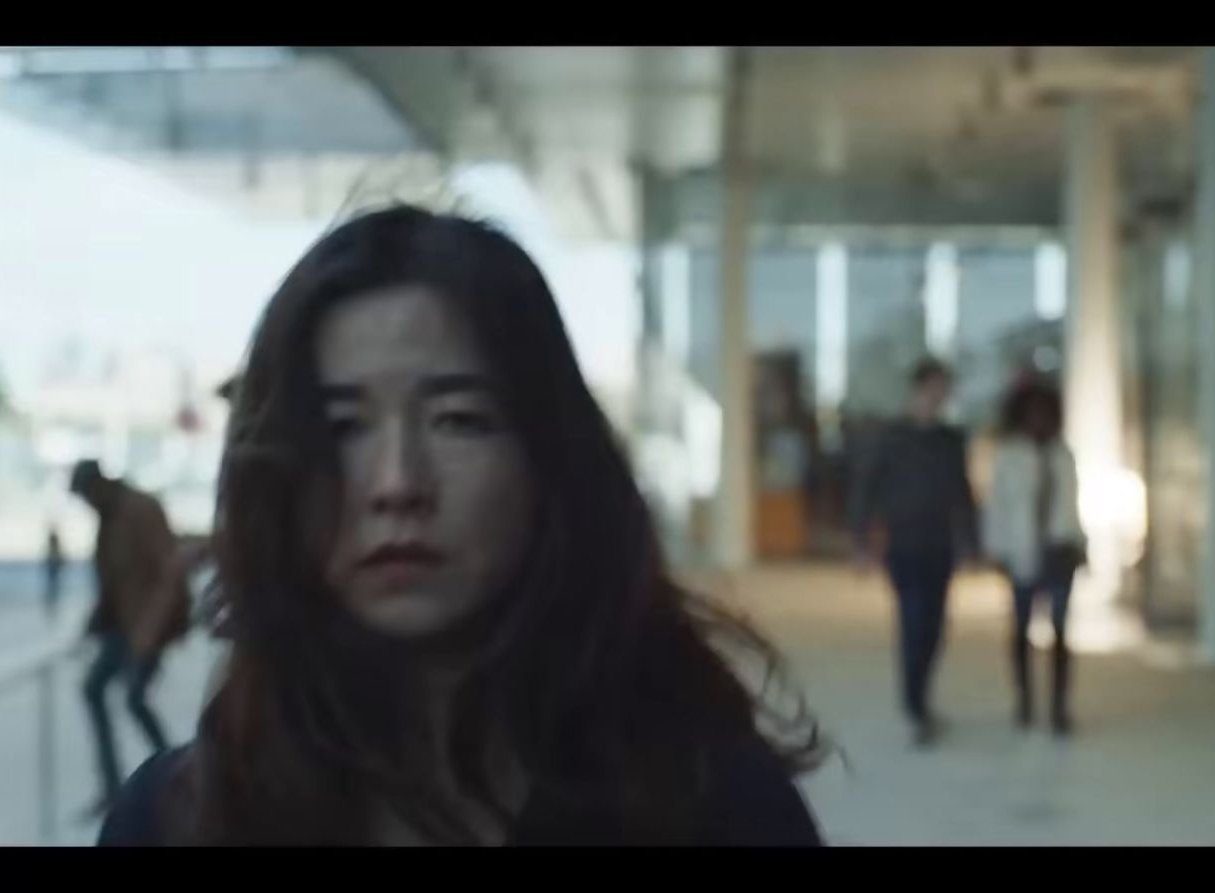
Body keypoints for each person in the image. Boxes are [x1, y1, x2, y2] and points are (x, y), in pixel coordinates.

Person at [97, 205, 826, 847]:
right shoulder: (177, 822)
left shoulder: (715, 808)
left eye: (459, 420)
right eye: (341, 426)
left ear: (549, 461)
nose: (397, 484)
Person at [849, 358, 978, 748]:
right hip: (903, 545)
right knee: (913, 621)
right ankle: (914, 706)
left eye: (944, 389)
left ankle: (921, 698)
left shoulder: (951, 440)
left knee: (935, 627)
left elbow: (962, 493)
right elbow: (865, 489)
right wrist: (860, 542)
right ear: (919, 389)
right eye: (934, 388)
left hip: (940, 545)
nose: (939, 396)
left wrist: (970, 542)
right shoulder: (892, 437)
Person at [69, 458, 192, 817]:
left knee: (135, 698)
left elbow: (169, 575)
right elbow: (112, 582)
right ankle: (111, 787)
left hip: (148, 627)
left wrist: (149, 635)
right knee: (94, 690)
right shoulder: (107, 519)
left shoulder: (141, 509)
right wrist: (94, 622)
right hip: (123, 628)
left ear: (99, 486)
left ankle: (176, 777)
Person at [982, 379, 1084, 736]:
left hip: (1059, 550)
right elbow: (998, 506)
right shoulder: (1010, 456)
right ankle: (1025, 700)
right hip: (1022, 550)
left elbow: (1072, 505)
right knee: (1021, 628)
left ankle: (1059, 705)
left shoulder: (1062, 454)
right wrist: (997, 549)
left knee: (1060, 630)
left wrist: (1079, 543)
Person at [44, 526, 64, 619]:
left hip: (53, 563)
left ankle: (53, 598)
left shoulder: (53, 539)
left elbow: (56, 551)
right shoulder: (53, 539)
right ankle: (52, 598)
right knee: (53, 582)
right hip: (53, 563)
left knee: (53, 582)